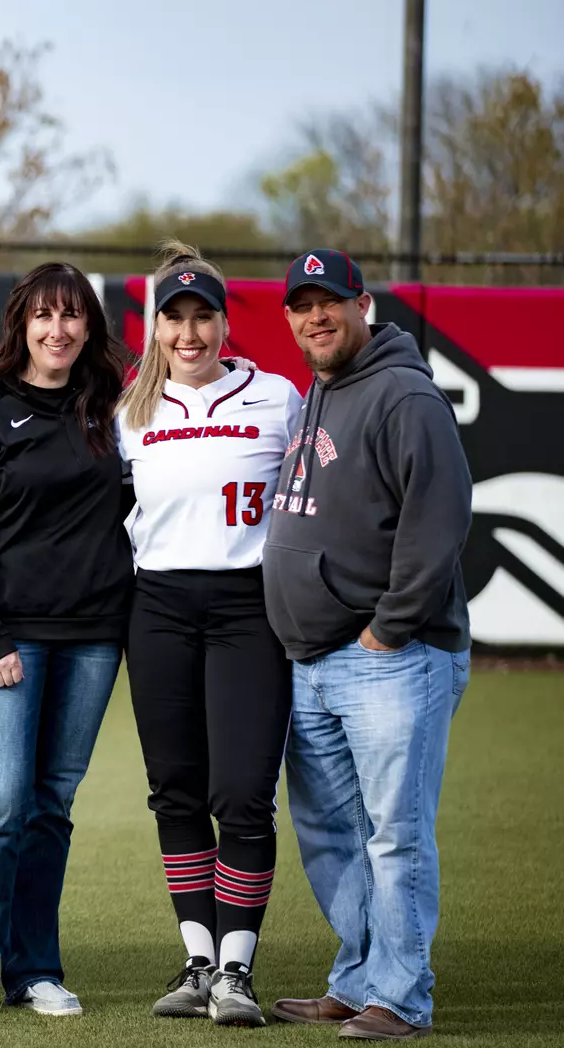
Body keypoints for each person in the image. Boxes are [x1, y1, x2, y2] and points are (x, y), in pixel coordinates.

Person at [263, 250, 473, 1041]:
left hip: (387, 657)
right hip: (314, 661)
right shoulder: (322, 390)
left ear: (364, 304)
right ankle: (357, 980)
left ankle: (402, 998)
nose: (315, 316)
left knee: (394, 834)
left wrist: (390, 626)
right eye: (301, 305)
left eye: (330, 302)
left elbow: (441, 517)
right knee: (332, 837)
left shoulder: (403, 393)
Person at [0, 261, 133, 1018]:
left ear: (90, 326)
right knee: (3, 801)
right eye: (44, 316)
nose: (58, 330)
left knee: (51, 805)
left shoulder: (113, 406)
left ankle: (35, 969)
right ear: (21, 323)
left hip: (93, 640)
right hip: (8, 639)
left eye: (72, 316)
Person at [116, 243, 301, 1027]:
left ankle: (237, 970)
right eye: (174, 318)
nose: (189, 333)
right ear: (155, 327)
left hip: (247, 607)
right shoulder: (130, 409)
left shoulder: (278, 396)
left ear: (225, 323)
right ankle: (198, 959)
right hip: (156, 606)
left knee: (243, 795)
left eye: (202, 317)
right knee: (177, 789)